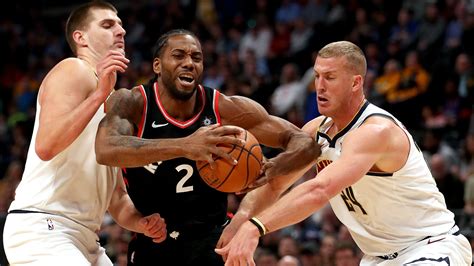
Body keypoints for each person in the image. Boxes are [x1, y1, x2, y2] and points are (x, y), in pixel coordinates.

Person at [216, 41, 472, 265]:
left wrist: (256, 227)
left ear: (355, 82)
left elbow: (319, 190)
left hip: (429, 247)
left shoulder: (376, 131)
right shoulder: (315, 131)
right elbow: (275, 185)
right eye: (316, 76)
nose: (319, 86)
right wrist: (240, 220)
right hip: (377, 258)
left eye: (330, 77)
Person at [94, 29, 319, 265]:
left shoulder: (223, 108)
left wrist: (273, 167)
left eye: (196, 57)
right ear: (157, 66)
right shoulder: (133, 103)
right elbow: (106, 148)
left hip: (215, 240)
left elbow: (305, 143)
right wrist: (185, 146)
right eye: (178, 56)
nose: (189, 63)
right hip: (153, 240)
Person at [2, 2, 166, 265]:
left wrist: (141, 223)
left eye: (121, 25)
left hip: (86, 238)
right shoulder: (73, 70)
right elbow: (47, 145)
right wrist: (100, 94)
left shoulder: (112, 101)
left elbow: (116, 197)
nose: (121, 31)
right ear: (81, 38)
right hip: (43, 225)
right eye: (108, 25)